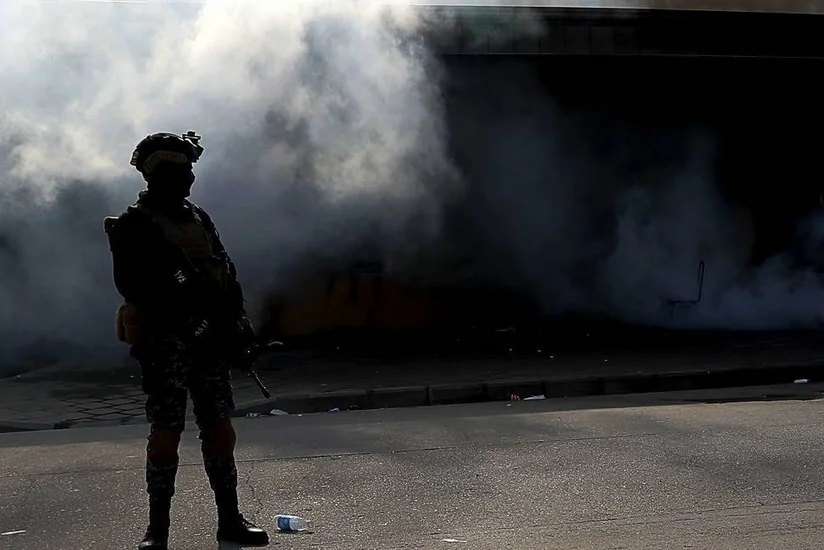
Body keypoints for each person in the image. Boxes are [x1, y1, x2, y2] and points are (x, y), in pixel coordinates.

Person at [104, 131, 270, 549]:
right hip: (167, 344)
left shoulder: (198, 218)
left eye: (190, 169)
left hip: (210, 340)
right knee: (167, 431)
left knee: (218, 428)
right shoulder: (134, 226)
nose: (188, 177)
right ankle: (157, 530)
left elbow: (223, 271)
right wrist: (188, 320)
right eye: (180, 169)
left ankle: (230, 521)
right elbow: (136, 287)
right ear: (157, 173)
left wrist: (237, 323)